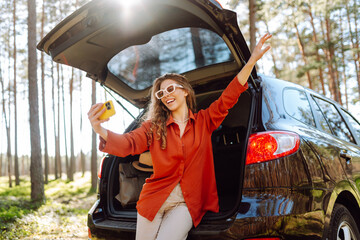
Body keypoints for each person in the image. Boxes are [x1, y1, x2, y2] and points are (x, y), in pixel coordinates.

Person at [87, 33, 272, 240]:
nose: (166, 95)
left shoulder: (204, 121)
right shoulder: (154, 127)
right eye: (161, 94)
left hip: (186, 203)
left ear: (185, 91)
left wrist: (252, 61)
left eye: (170, 89)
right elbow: (129, 143)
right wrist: (100, 130)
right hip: (153, 200)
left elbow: (229, 96)